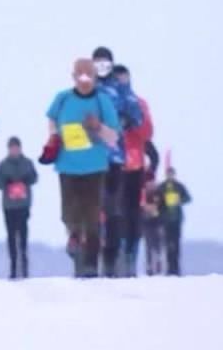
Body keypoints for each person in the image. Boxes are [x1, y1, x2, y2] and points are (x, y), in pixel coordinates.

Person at [42, 58, 120, 278]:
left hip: (94, 166)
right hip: (67, 166)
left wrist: (98, 127)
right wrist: (53, 137)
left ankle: (91, 265)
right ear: (73, 76)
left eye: (89, 74)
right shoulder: (62, 98)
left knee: (92, 216)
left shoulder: (102, 101)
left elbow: (114, 137)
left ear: (95, 77)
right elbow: (51, 121)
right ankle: (74, 236)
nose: (84, 79)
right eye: (80, 74)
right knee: (69, 212)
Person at [92, 50, 144, 277]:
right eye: (98, 62)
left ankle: (112, 256)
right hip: (87, 158)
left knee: (113, 208)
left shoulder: (119, 89)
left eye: (106, 63)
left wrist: (125, 119)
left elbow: (137, 116)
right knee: (89, 209)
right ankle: (87, 254)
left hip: (113, 158)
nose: (102, 66)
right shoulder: (86, 87)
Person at [111, 65, 157, 277]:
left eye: (124, 77)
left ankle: (132, 253)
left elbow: (148, 132)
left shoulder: (139, 103)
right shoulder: (109, 101)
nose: (121, 81)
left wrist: (133, 123)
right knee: (116, 212)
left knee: (133, 213)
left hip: (135, 165)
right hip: (115, 164)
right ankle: (118, 254)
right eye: (117, 77)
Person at [0, 137, 38, 279]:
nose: (14, 150)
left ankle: (24, 264)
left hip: (23, 204)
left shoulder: (27, 163)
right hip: (9, 205)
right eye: (12, 148)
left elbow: (35, 178)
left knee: (23, 233)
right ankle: (13, 265)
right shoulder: (3, 165)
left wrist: (26, 179)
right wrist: (6, 182)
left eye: (16, 147)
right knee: (11, 235)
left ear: (20, 148)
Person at [157, 167, 192, 276]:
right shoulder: (161, 187)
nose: (170, 176)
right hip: (166, 219)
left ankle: (176, 268)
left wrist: (179, 200)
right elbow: (157, 201)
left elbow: (188, 198)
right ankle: (169, 268)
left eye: (171, 174)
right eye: (168, 174)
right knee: (167, 244)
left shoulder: (179, 186)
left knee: (176, 243)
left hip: (177, 219)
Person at [140, 179, 165, 275]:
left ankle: (158, 260)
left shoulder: (159, 195)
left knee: (158, 244)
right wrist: (146, 209)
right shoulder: (143, 195)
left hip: (157, 223)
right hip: (146, 224)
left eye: (152, 183)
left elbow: (163, 208)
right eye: (148, 183)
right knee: (148, 245)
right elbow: (140, 208)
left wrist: (157, 211)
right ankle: (149, 266)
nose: (150, 185)